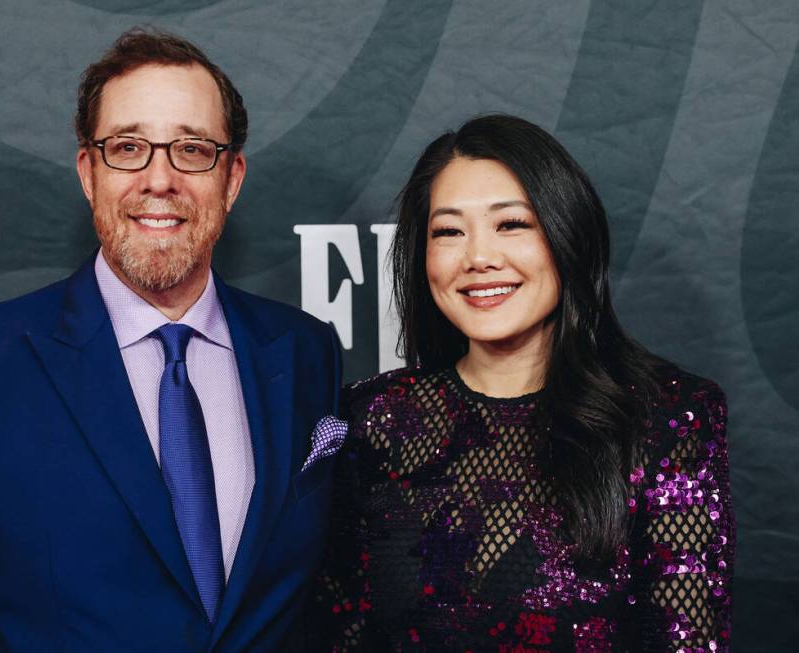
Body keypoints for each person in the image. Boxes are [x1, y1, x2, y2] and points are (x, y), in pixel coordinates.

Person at [0, 27, 343, 652]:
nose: (159, 179)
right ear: (89, 172)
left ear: (232, 178)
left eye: (192, 149)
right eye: (129, 147)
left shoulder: (305, 352)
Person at [310, 115, 734, 652]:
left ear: (567, 235)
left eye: (511, 224)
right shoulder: (375, 419)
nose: (479, 258)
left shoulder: (668, 417)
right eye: (448, 231)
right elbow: (337, 633)